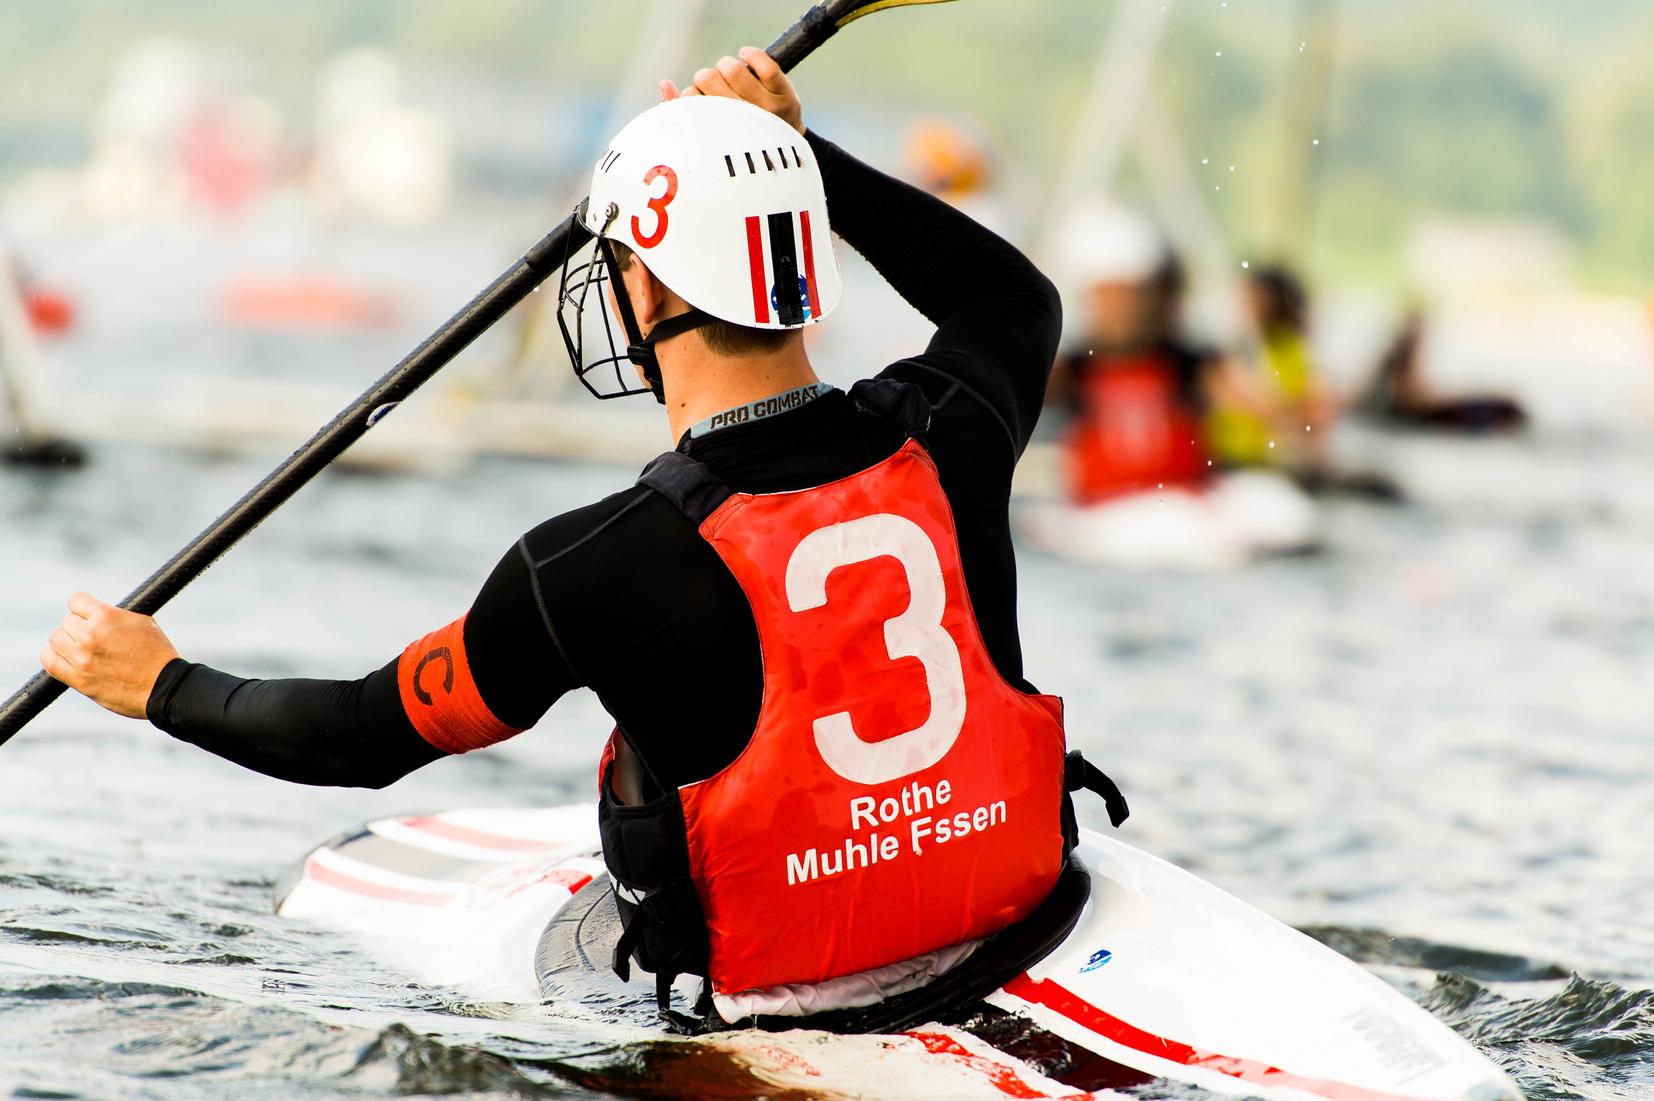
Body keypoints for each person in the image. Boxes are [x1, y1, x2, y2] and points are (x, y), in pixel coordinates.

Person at [40, 50, 1121, 1029]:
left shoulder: (590, 566)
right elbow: (1008, 294)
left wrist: (164, 685)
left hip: (789, 1004)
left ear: (647, 286)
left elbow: (360, 736)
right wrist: (798, 156)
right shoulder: (952, 424)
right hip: (1023, 920)